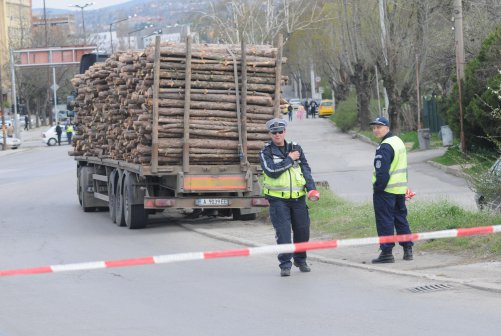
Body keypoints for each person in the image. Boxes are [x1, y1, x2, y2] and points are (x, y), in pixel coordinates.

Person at [259, 118, 320, 277]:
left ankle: (300, 259)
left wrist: (311, 189)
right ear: (270, 134)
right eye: (274, 132)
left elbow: (305, 169)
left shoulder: (295, 147)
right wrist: (290, 159)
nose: (277, 135)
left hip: (298, 199)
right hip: (278, 201)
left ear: (285, 132)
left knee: (302, 231)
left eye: (280, 131)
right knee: (284, 234)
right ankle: (285, 264)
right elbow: (272, 171)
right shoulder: (266, 151)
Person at [369, 116, 413, 263]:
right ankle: (408, 250)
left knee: (384, 221)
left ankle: (386, 252)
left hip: (386, 191)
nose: (376, 130)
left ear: (387, 128)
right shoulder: (398, 141)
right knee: (401, 219)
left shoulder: (385, 146)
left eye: (379, 127)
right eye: (374, 127)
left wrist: (378, 188)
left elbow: (382, 172)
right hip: (399, 189)